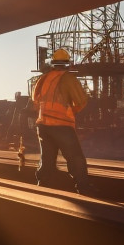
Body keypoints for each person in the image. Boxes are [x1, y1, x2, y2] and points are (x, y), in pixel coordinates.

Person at [30, 49, 91, 193]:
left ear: (53, 63)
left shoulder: (43, 78)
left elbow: (35, 99)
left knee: (47, 158)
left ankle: (42, 183)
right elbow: (81, 101)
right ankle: (83, 187)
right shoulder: (68, 78)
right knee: (75, 157)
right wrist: (71, 112)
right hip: (62, 125)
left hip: (43, 125)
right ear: (67, 64)